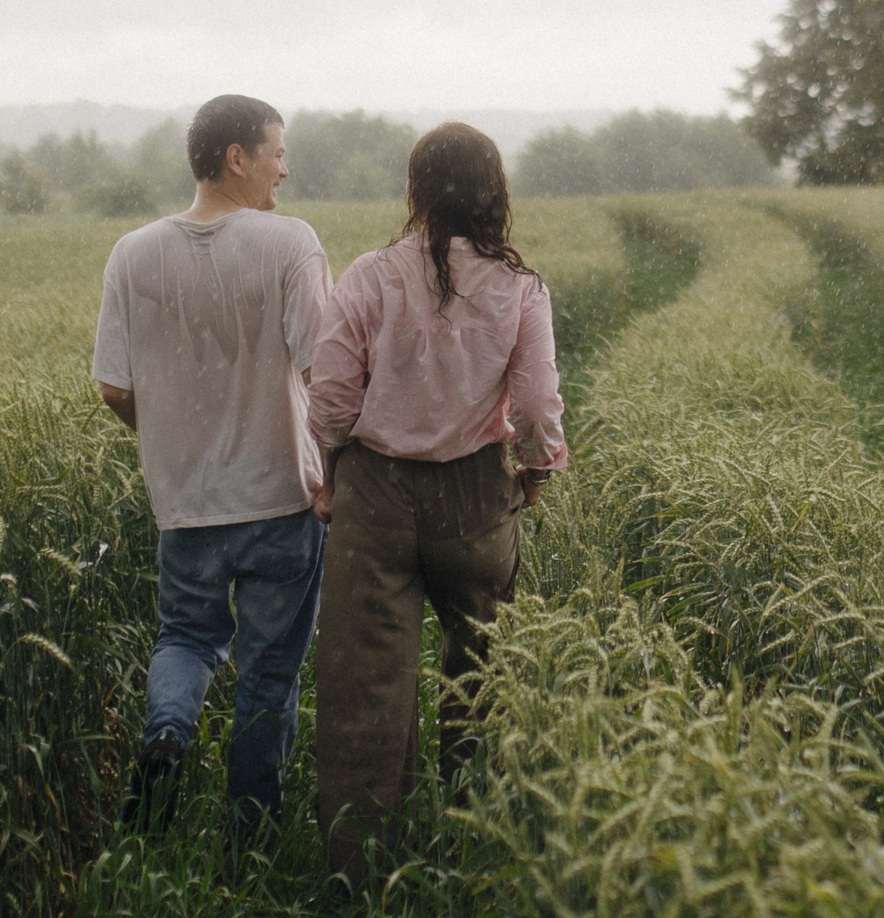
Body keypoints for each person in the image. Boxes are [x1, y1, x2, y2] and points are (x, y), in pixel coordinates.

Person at [304, 122, 566, 878]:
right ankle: (474, 834)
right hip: (475, 495)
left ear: (417, 191)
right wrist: (537, 468)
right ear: (495, 194)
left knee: (365, 681)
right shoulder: (521, 289)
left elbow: (328, 395)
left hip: (376, 494)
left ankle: (359, 865)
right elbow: (539, 401)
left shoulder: (370, 276)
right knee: (481, 661)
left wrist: (329, 470)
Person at [92, 93, 332, 834]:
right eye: (277, 153)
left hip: (184, 502)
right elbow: (327, 371)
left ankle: (166, 734)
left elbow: (112, 385)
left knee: (187, 638)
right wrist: (336, 472)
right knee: (268, 672)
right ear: (237, 158)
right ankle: (249, 832)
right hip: (280, 498)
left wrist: (173, 441)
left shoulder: (132, 252)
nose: (284, 171)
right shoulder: (289, 243)